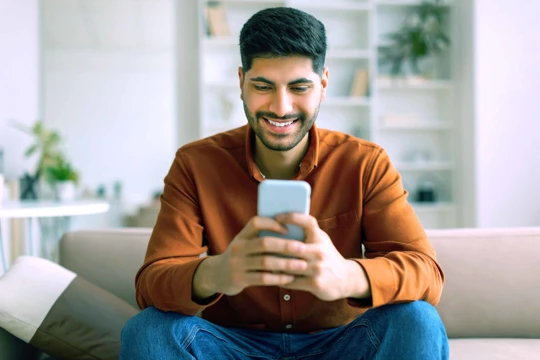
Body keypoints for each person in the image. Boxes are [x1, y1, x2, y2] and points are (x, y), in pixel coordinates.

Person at [120, 6, 449, 360]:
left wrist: (348, 276)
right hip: (232, 346)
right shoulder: (195, 164)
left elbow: (425, 272)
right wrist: (215, 273)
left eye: (299, 87)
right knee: (148, 330)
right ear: (241, 81)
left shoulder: (366, 163)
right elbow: (151, 284)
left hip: (341, 344)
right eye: (263, 86)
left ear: (323, 84)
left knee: (418, 319)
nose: (281, 107)